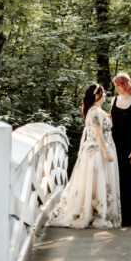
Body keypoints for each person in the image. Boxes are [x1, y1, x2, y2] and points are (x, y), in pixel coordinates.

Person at [50, 83, 121, 228]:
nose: (106, 95)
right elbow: (97, 134)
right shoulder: (94, 112)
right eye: (103, 93)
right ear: (97, 96)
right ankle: (91, 213)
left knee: (97, 184)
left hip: (99, 150)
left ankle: (95, 212)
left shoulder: (98, 110)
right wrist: (106, 153)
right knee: (95, 182)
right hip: (97, 152)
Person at [110, 72, 131, 226]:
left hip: (127, 145)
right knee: (113, 176)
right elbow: (110, 121)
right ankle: (115, 213)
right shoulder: (113, 100)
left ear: (125, 84)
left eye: (118, 85)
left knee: (126, 177)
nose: (116, 88)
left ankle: (130, 215)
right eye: (115, 86)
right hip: (113, 143)